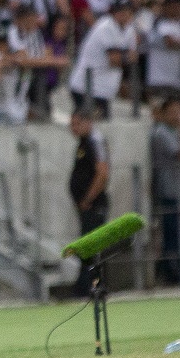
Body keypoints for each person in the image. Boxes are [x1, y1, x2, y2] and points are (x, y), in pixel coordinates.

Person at [68, 106, 110, 297]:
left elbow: (102, 173)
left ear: (87, 122)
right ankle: (85, 286)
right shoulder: (84, 143)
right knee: (86, 245)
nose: (73, 128)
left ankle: (92, 287)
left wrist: (88, 198)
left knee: (92, 247)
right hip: (86, 204)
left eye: (77, 123)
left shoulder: (95, 141)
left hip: (94, 204)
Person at [151, 96, 180, 285]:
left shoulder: (172, 131)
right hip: (167, 190)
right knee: (170, 232)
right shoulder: (161, 132)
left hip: (175, 189)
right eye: (174, 111)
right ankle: (170, 272)